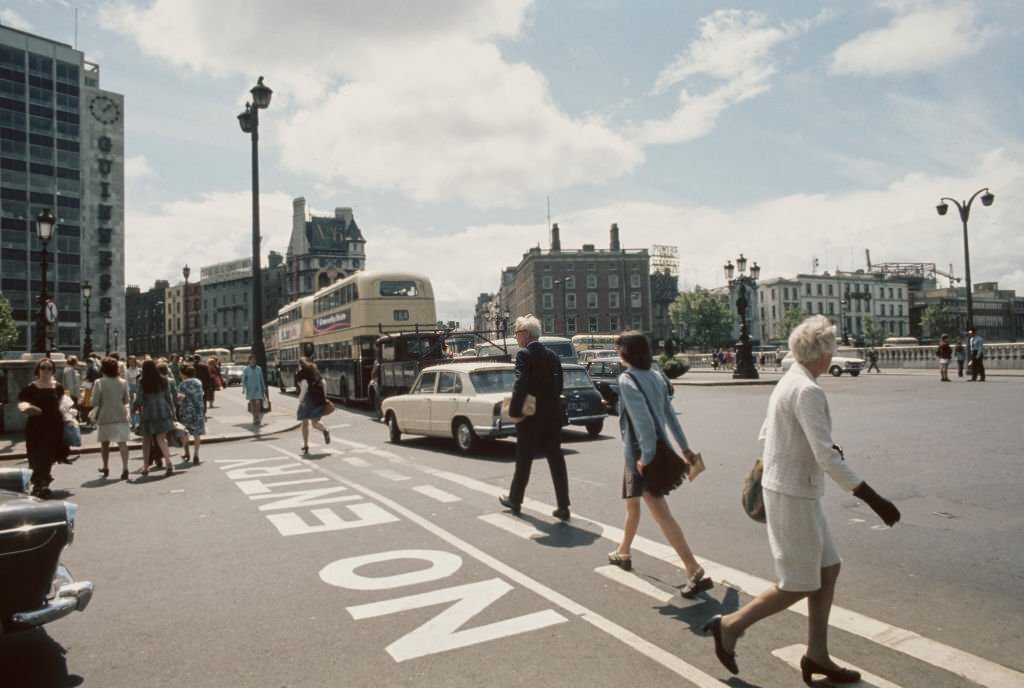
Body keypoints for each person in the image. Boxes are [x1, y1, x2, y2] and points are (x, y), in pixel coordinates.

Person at [703, 315, 900, 682]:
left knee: (828, 569)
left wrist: (815, 447)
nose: (832, 357)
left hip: (793, 488)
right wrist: (874, 500)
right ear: (822, 353)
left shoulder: (790, 380)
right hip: (792, 492)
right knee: (799, 582)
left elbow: (774, 433)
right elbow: (825, 456)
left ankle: (817, 654)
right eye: (831, 350)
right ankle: (730, 626)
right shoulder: (808, 390)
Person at [607, 331, 711, 598]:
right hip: (643, 454)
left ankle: (693, 568)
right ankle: (623, 551)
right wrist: (685, 447)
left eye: (618, 348)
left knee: (661, 513)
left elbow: (642, 424)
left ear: (625, 353)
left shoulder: (627, 380)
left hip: (641, 455)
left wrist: (645, 458)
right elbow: (669, 417)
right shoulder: (656, 376)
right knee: (632, 502)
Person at [498, 314, 570, 521]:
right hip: (553, 415)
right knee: (556, 459)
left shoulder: (524, 355)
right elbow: (559, 386)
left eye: (517, 332)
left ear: (527, 334)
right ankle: (563, 506)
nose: (515, 336)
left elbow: (520, 384)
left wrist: (514, 411)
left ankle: (515, 499)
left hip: (531, 417)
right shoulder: (553, 356)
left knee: (524, 459)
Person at [17, 358, 69, 497]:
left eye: (49, 368)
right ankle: (37, 482)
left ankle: (43, 483)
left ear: (53, 371)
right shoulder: (31, 387)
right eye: (43, 367)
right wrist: (26, 407)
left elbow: (62, 404)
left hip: (53, 425)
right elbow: (22, 402)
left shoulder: (57, 387)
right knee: (34, 454)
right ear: (38, 370)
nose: (46, 370)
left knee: (47, 454)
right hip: (36, 425)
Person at [134, 359, 177, 477]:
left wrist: (133, 410)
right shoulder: (163, 380)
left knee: (146, 440)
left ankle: (146, 467)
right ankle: (169, 463)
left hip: (148, 413)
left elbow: (139, 399)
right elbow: (169, 398)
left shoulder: (142, 381)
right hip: (163, 411)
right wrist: (173, 413)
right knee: (161, 439)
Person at [91, 356, 131, 480]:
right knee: (122, 443)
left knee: (105, 443)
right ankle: (125, 468)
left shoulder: (99, 382)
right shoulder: (123, 382)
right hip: (120, 414)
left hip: (105, 415)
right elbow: (126, 400)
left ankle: (105, 466)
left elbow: (95, 401)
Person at [295, 357, 330, 452]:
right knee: (314, 423)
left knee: (305, 423)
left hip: (308, 399)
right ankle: (324, 430)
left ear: (300, 365)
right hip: (318, 398)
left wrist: (300, 399)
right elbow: (324, 383)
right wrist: (324, 397)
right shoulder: (315, 371)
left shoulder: (301, 374)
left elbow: (305, 385)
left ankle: (306, 445)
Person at [176, 363, 205, 465]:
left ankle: (187, 453)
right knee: (197, 434)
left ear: (184, 374)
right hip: (198, 410)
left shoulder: (182, 384)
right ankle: (196, 455)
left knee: (185, 433)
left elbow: (180, 399)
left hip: (186, 411)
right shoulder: (198, 382)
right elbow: (201, 395)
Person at [242, 355, 267, 425]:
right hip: (250, 389)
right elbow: (243, 379)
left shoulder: (259, 368)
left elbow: (261, 378)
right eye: (252, 360)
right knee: (252, 404)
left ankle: (258, 417)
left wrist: (264, 388)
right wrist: (243, 388)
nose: (253, 361)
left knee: (258, 403)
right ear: (249, 361)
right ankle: (254, 417)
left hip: (258, 389)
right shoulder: (246, 369)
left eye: (254, 360)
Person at [125, 355, 141, 430]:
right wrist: (128, 391)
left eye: (132, 361)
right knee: (132, 406)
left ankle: (139, 422)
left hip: (139, 387)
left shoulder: (139, 370)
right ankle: (133, 423)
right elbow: (126, 382)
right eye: (129, 361)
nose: (131, 363)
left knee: (139, 405)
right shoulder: (127, 371)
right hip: (131, 388)